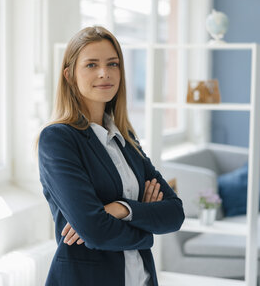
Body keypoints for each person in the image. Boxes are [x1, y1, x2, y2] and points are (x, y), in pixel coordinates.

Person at [38, 26, 184, 286]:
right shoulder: (58, 139)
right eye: (91, 65)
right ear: (69, 75)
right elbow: (94, 231)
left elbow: (174, 213)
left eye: (112, 64)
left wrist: (119, 209)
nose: (104, 73)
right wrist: (147, 228)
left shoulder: (125, 136)